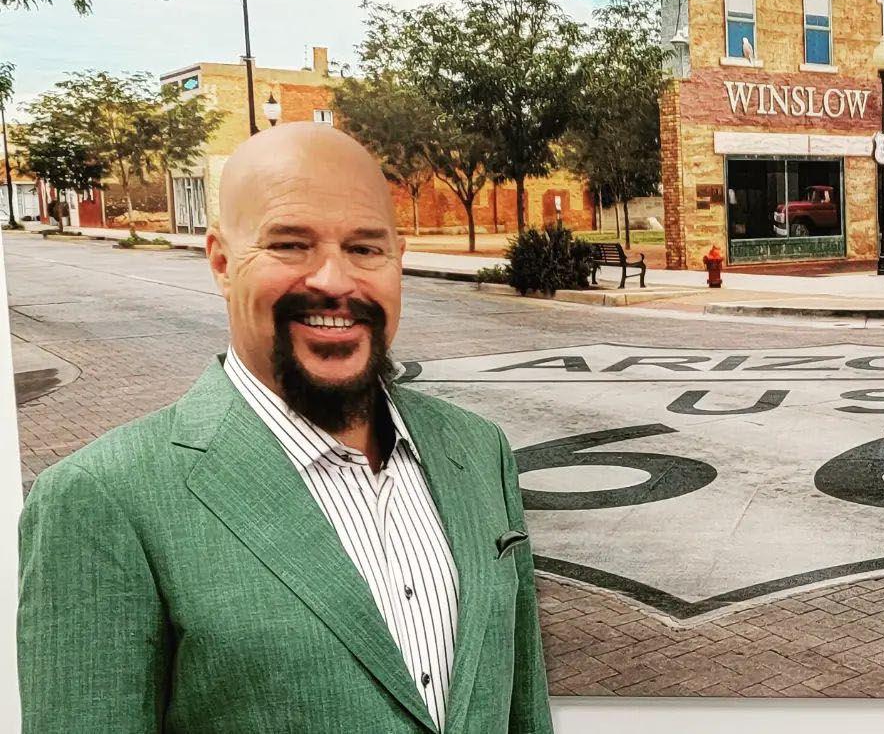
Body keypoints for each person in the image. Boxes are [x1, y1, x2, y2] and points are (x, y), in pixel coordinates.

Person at [18, 123, 553, 733]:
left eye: (365, 248)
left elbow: (521, 709)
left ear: (397, 259)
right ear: (222, 262)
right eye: (291, 245)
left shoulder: (478, 450)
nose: (333, 281)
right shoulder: (101, 499)